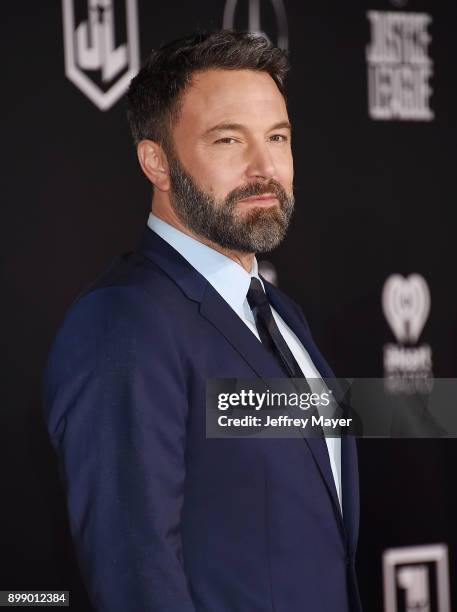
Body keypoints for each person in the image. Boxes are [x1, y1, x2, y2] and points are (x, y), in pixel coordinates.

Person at [43, 30, 362, 612]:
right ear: (156, 162)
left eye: (278, 137)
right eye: (227, 140)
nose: (265, 167)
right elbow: (136, 576)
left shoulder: (278, 313)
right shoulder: (124, 321)